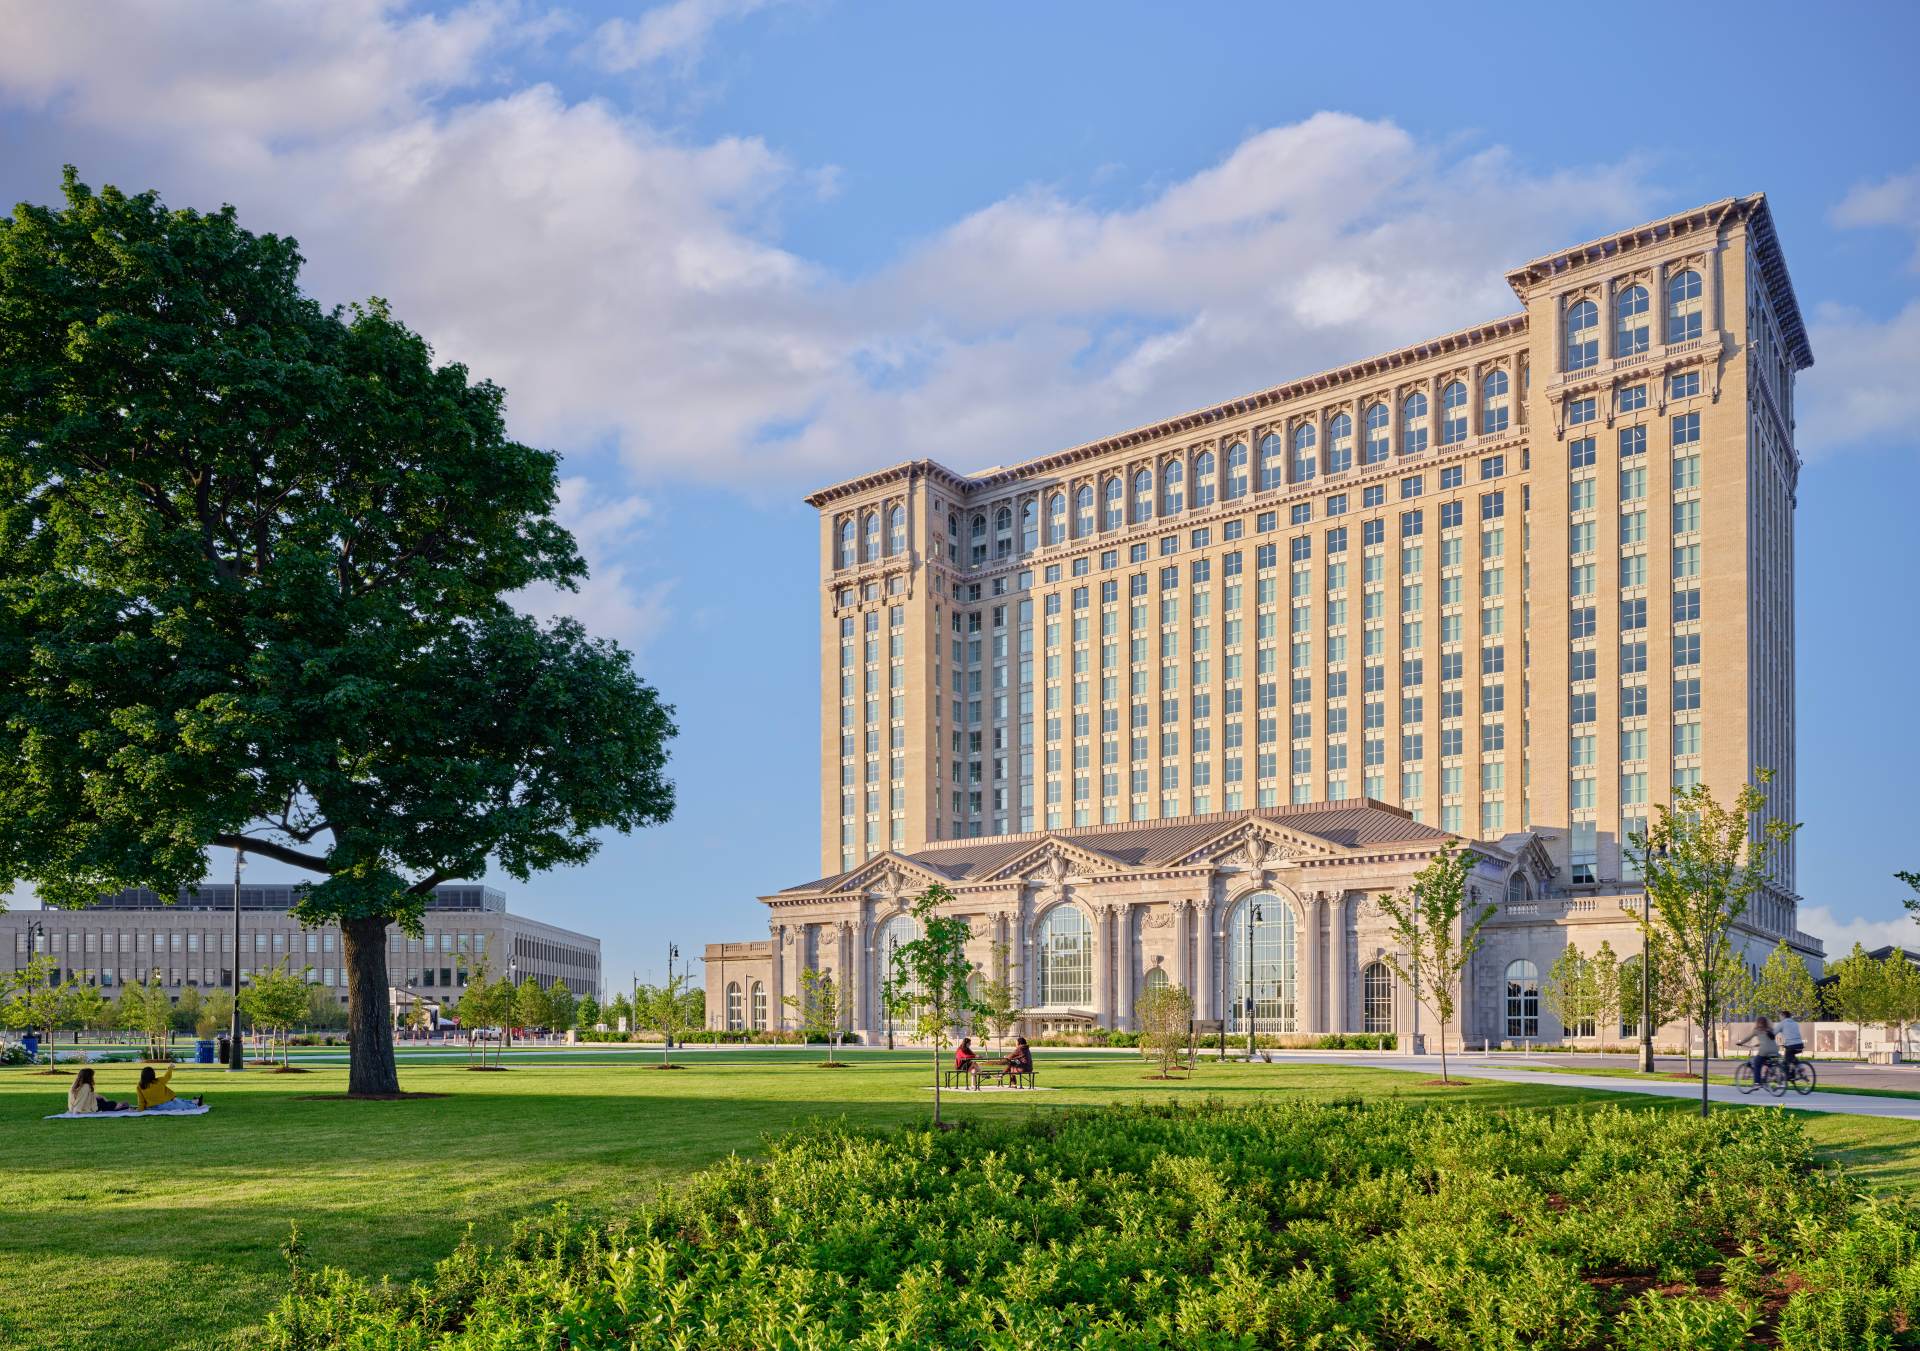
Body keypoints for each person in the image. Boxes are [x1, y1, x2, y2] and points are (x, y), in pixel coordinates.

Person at [136, 1066, 204, 1112]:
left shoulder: (140, 1086)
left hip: (152, 1106)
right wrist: (170, 1067)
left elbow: (141, 1101)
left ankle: (196, 1101)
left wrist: (140, 1109)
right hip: (164, 1105)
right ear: (153, 1075)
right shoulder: (158, 1081)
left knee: (179, 1100)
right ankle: (195, 1105)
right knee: (181, 1105)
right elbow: (167, 1076)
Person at [1735, 1015, 1780, 1084]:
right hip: (1775, 1050)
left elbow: (1748, 1038)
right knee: (1767, 1062)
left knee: (1756, 1063)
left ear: (1758, 1022)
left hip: (1765, 1051)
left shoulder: (1757, 1030)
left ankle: (1757, 1083)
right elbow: (1768, 1040)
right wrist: (1758, 1044)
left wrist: (1740, 1042)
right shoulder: (1770, 1029)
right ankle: (1770, 1076)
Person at [1777, 1009, 1805, 1077]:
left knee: (1786, 1059)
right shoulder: (1795, 1023)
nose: (1779, 1018)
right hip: (1800, 1045)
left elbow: (1774, 1032)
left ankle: (1788, 1075)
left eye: (1780, 1016)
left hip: (1791, 1045)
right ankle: (1795, 1071)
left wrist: (1769, 1036)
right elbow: (1791, 1034)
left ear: (1783, 1016)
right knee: (1790, 1057)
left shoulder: (1783, 1023)